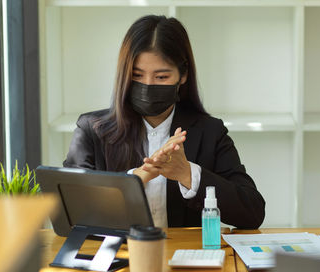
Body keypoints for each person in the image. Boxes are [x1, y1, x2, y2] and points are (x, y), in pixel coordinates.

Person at [63, 15, 265, 229]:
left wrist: (187, 173)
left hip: (186, 258)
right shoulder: (91, 130)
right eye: (137, 75)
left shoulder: (210, 132)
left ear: (183, 75)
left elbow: (252, 213)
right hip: (120, 259)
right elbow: (68, 212)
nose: (148, 85)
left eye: (161, 77)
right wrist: (137, 178)